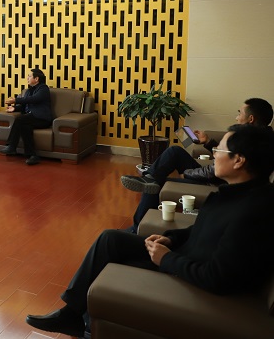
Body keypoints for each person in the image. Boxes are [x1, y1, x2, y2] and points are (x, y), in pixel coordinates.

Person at [26, 124, 274, 337]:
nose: (215, 154)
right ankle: (70, 313)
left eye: (220, 150)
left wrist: (166, 259)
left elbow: (217, 277)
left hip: (189, 273)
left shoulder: (252, 212)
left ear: (239, 160)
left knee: (114, 262)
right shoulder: (232, 194)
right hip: (184, 254)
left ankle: (88, 323)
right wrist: (170, 238)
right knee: (110, 239)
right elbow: (201, 229)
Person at [120, 98, 273, 232]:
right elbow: (227, 156)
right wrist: (208, 142)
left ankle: (137, 227)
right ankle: (149, 177)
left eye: (240, 113)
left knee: (156, 184)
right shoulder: (258, 137)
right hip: (219, 175)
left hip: (216, 181)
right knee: (174, 152)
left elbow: (214, 170)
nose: (237, 117)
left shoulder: (253, 143)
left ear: (251, 118)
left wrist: (186, 173)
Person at [0, 68, 53, 165]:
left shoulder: (43, 89)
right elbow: (24, 105)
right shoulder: (28, 91)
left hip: (42, 119)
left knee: (20, 119)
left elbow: (34, 99)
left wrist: (16, 100)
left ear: (36, 79)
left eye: (29, 76)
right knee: (25, 127)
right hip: (31, 118)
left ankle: (11, 146)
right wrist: (14, 108)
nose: (27, 78)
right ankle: (32, 155)